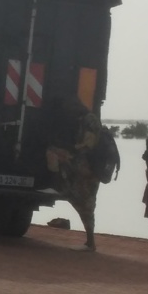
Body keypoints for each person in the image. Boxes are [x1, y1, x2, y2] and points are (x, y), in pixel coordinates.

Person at [45, 96, 102, 251]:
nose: (68, 111)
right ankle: (90, 241)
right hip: (84, 166)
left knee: (86, 204)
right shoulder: (83, 119)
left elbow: (89, 145)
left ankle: (91, 242)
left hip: (88, 168)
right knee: (82, 202)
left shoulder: (90, 120)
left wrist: (71, 151)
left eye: (69, 108)